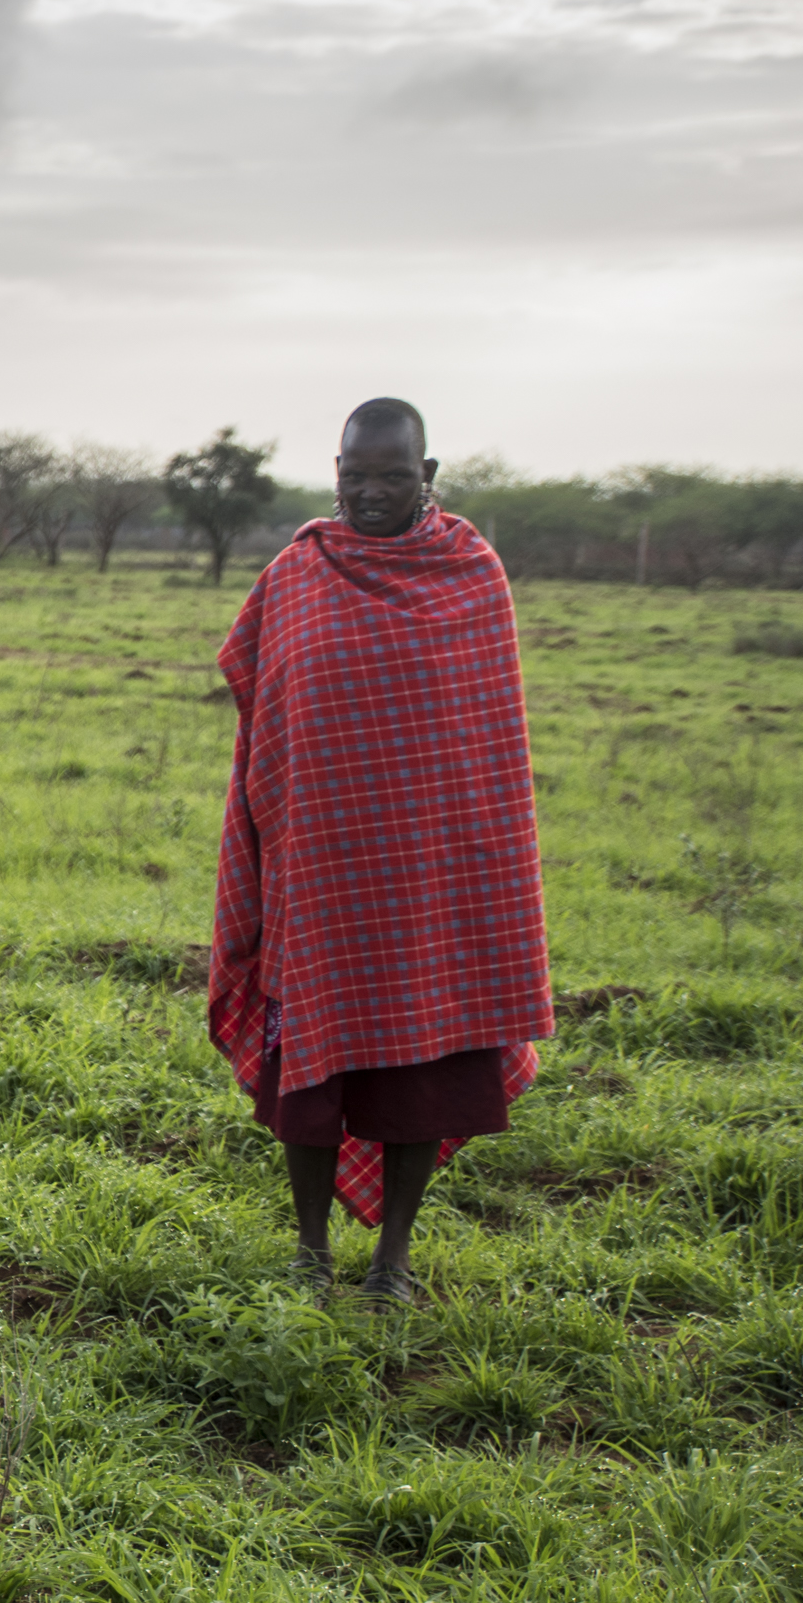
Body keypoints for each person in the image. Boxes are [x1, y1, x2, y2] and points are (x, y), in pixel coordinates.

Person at [210, 398, 551, 1304]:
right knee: (313, 1074)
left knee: (422, 1081)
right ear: (335, 471)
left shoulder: (471, 574)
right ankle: (310, 1253)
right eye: (354, 475)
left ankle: (394, 1260)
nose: (369, 492)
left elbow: (485, 748)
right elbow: (262, 706)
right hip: (318, 873)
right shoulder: (297, 572)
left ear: (426, 477)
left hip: (431, 882)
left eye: (391, 476)